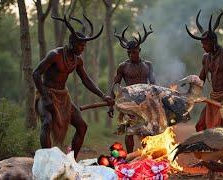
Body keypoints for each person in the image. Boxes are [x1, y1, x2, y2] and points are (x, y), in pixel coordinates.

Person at [33, 15, 114, 158]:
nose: (82, 48)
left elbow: (86, 80)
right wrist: (45, 98)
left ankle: (71, 161)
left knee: (82, 126)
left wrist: (103, 96)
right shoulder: (55, 55)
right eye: (80, 45)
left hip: (63, 97)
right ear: (71, 42)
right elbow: (36, 74)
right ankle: (47, 160)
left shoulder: (77, 60)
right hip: (46, 93)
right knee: (47, 123)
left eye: (84, 46)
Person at [185, 8, 223, 132]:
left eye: (205, 43)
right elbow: (201, 80)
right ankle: (211, 149)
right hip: (214, 98)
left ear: (213, 42)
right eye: (202, 43)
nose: (202, 46)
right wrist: (189, 93)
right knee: (200, 125)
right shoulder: (206, 58)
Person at [108, 24, 156, 153]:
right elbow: (115, 85)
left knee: (146, 132)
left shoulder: (148, 65)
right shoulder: (123, 66)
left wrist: (157, 103)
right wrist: (110, 104)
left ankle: (146, 156)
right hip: (129, 103)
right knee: (129, 131)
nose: (131, 55)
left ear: (139, 50)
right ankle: (129, 157)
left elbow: (153, 85)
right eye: (129, 53)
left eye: (134, 52)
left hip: (145, 103)